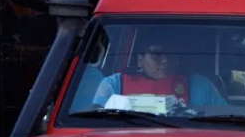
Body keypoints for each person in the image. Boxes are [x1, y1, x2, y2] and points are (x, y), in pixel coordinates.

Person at [93, 41, 226, 111]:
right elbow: (94, 120)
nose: (165, 60)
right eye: (156, 54)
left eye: (171, 54)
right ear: (140, 60)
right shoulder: (114, 84)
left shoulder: (199, 85)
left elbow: (222, 118)